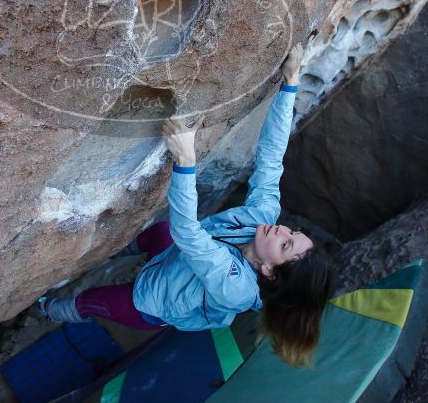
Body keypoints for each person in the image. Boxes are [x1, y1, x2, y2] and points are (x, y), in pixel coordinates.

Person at [41, 44, 333, 368]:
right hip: (174, 259)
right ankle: (97, 255)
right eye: (293, 232)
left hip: (153, 303)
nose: (282, 229)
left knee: (91, 302)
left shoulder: (236, 288)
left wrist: (186, 160)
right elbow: (271, 160)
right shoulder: (261, 219)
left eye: (286, 243)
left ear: (268, 271)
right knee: (159, 232)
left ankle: (48, 309)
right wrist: (290, 83)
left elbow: (190, 235)